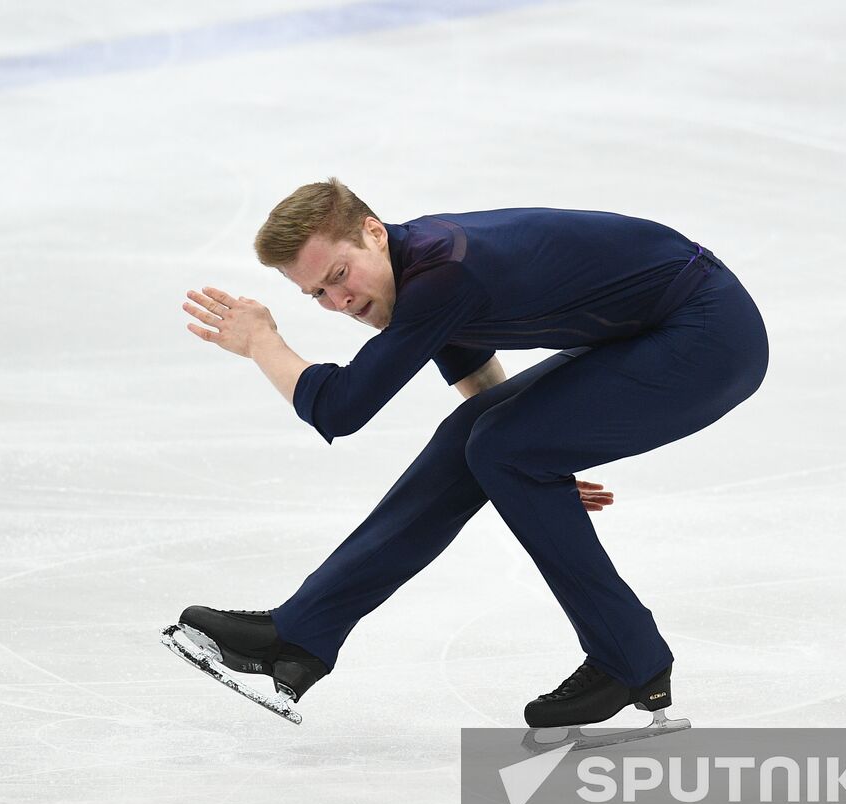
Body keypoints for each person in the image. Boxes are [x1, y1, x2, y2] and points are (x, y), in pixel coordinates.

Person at [170, 178, 768, 728]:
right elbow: (472, 365)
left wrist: (263, 343)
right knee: (483, 443)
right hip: (655, 329)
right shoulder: (417, 264)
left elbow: (341, 409)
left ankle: (629, 659)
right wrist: (541, 455)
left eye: (340, 274)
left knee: (502, 448)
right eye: (317, 294)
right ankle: (300, 635)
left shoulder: (442, 277)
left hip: (709, 335)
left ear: (373, 232)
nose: (340, 300)